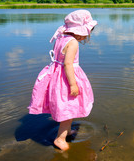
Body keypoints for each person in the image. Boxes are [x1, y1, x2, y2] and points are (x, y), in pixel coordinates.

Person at [28, 9, 97, 151]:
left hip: (57, 77)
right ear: (80, 30)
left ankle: (66, 131)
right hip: (67, 79)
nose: (87, 35)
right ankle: (60, 139)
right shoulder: (73, 43)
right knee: (68, 109)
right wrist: (73, 84)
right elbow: (68, 64)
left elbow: (60, 61)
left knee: (67, 108)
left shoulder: (60, 37)